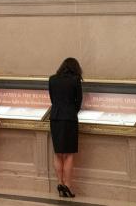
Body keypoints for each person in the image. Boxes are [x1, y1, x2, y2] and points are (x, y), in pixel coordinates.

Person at [48, 57, 83, 199]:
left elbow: (52, 99)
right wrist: (71, 111)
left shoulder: (52, 79)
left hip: (55, 117)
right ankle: (68, 185)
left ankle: (60, 183)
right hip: (69, 118)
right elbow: (79, 101)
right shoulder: (75, 80)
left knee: (58, 153)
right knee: (69, 154)